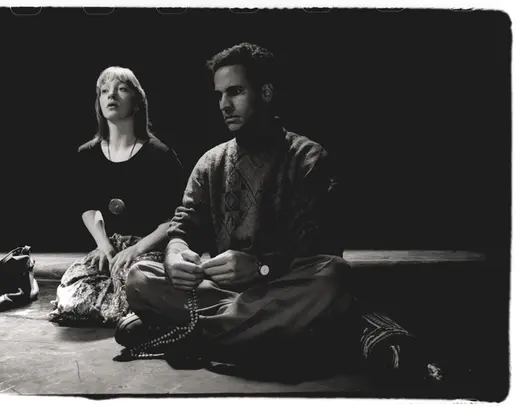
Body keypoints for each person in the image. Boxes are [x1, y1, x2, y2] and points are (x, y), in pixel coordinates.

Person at [115, 44, 443, 382]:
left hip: (281, 289)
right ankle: (269, 338)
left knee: (333, 276)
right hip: (231, 297)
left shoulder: (307, 157)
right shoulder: (211, 163)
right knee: (140, 278)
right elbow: (183, 227)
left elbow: (319, 249)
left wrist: (259, 265)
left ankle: (195, 336)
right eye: (219, 95)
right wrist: (175, 254)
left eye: (235, 92)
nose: (224, 104)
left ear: (266, 93)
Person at [48, 66, 185, 326]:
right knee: (72, 295)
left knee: (134, 286)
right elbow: (88, 207)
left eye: (121, 89)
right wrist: (104, 245)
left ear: (137, 102)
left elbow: (175, 220)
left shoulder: (160, 155)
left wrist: (136, 250)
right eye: (104, 91)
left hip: (148, 247)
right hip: (111, 247)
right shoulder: (87, 154)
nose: (111, 95)